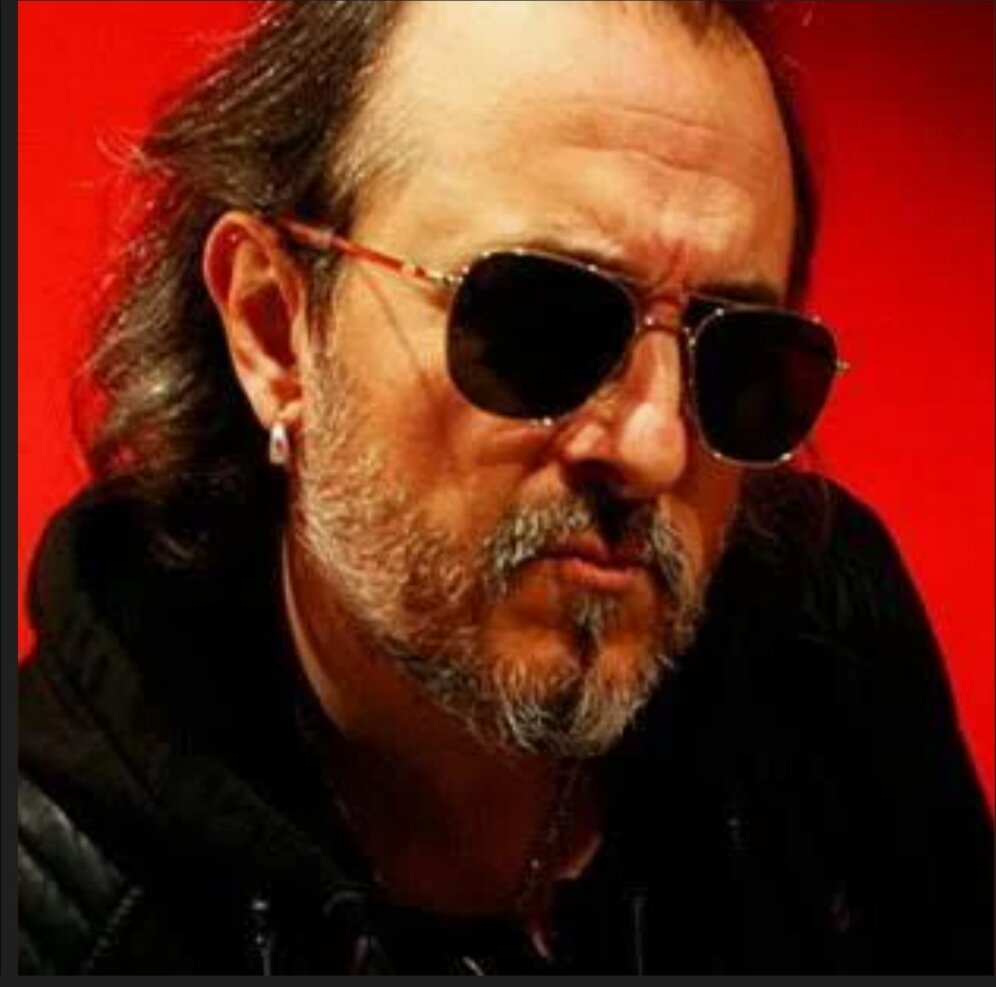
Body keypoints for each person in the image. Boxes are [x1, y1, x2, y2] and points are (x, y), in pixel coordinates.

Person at [17, 0, 993, 974]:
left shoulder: (823, 651)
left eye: (735, 355)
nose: (654, 446)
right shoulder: (57, 910)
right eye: (538, 323)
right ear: (275, 327)